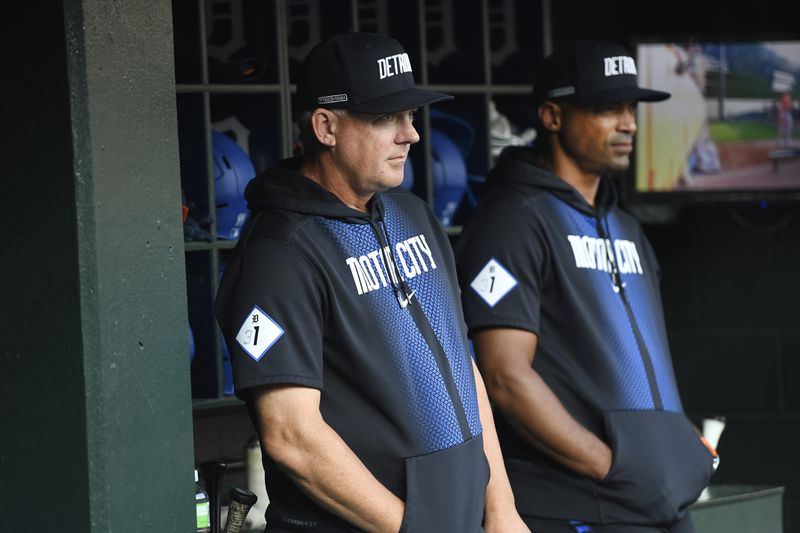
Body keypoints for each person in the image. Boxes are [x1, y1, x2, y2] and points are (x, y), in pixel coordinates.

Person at [214, 32, 528, 533]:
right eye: (385, 118)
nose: (411, 134)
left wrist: (502, 510)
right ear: (325, 126)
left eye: (409, 116)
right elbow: (292, 436)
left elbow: (459, 363)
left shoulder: (413, 215)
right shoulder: (279, 252)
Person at [454, 39, 715, 533]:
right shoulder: (513, 220)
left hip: (659, 506)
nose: (629, 123)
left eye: (631, 108)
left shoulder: (625, 225)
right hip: (580, 506)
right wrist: (613, 467)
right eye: (605, 109)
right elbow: (504, 376)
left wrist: (675, 450)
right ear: (552, 117)